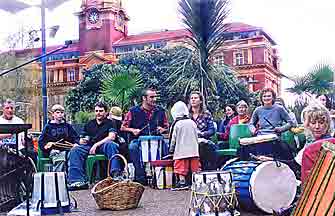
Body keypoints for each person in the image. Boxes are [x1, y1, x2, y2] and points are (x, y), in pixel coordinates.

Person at [67, 102, 121, 190]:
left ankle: (115, 175)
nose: (98, 113)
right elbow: (83, 137)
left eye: (101, 111)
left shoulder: (110, 123)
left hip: (104, 145)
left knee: (112, 145)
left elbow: (111, 137)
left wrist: (96, 145)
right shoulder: (89, 124)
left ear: (106, 112)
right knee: (75, 150)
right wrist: (81, 141)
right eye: (96, 111)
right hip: (90, 146)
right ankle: (77, 181)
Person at [121, 88, 169, 185]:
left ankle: (162, 177)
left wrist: (163, 129)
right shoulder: (133, 111)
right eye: (151, 97)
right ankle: (140, 176)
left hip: (156, 139)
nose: (154, 99)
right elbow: (123, 127)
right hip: (138, 140)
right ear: (144, 98)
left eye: (155, 97)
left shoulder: (160, 111)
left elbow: (167, 126)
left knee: (165, 147)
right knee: (132, 147)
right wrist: (132, 130)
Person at [248, 88, 294, 160]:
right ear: (261, 98)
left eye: (269, 96)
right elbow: (251, 124)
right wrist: (253, 130)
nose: (266, 98)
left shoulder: (279, 108)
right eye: (264, 96)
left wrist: (281, 129)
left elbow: (290, 123)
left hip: (274, 138)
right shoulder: (258, 110)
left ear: (273, 97)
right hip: (260, 138)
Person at [168, 101, 200, 190]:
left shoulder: (176, 124)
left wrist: (171, 150)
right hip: (194, 150)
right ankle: (197, 182)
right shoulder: (192, 122)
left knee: (180, 167)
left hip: (180, 151)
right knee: (195, 167)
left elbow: (172, 139)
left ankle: (182, 182)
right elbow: (197, 135)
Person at [38, 104, 79, 171]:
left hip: (67, 149)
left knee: (74, 157)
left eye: (62, 112)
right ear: (53, 114)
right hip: (54, 150)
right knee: (59, 157)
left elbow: (75, 137)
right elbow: (41, 141)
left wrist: (76, 144)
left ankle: (72, 179)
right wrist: (46, 146)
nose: (60, 114)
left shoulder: (68, 126)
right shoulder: (48, 127)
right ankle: (59, 178)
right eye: (57, 112)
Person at [189, 91, 217, 170]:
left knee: (206, 147)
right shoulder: (187, 115)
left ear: (200, 101)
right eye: (192, 98)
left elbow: (212, 130)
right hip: (190, 142)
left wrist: (201, 134)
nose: (193, 100)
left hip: (204, 141)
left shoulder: (206, 114)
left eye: (195, 98)